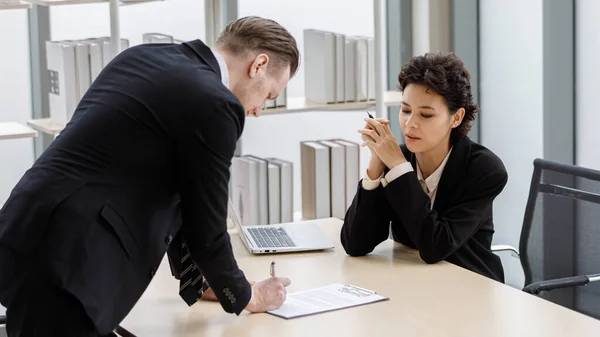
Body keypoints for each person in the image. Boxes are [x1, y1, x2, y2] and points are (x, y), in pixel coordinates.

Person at [0, 16, 299, 336]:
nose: (257, 110)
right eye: (268, 96)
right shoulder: (216, 104)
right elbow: (206, 225)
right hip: (75, 260)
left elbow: (180, 196)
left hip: (29, 228)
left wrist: (203, 281)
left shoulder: (144, 57)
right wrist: (247, 295)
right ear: (259, 64)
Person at [341, 52, 508, 282]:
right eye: (406, 110)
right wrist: (375, 167)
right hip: (414, 282)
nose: (410, 124)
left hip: (469, 286)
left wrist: (398, 167)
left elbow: (436, 246)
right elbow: (355, 243)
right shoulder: (396, 160)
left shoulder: (484, 170)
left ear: (456, 118)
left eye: (426, 115)